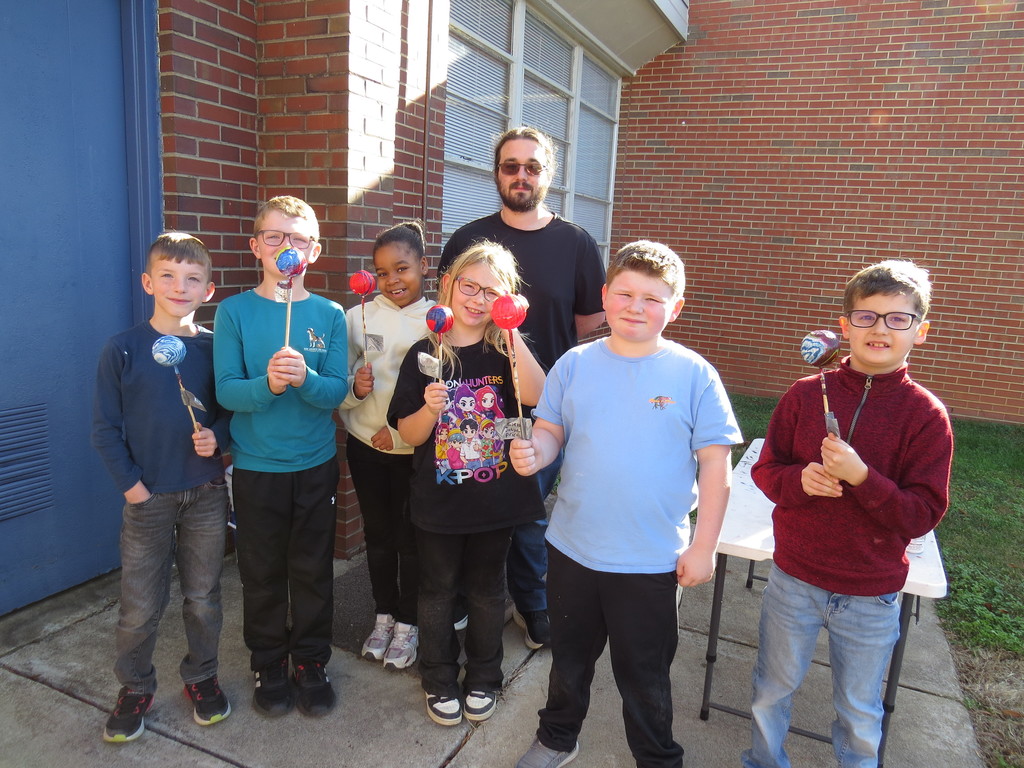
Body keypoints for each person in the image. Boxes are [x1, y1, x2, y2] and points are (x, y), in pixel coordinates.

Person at [509, 241, 742, 768]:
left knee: (644, 674)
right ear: (605, 296)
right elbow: (550, 432)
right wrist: (534, 453)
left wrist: (704, 547)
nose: (637, 306)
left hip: (651, 559)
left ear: (675, 308)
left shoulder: (693, 374)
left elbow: (714, 466)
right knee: (568, 662)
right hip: (573, 550)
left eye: (653, 298)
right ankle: (557, 739)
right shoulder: (573, 364)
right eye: (626, 293)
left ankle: (657, 758)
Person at [741, 260, 954, 768]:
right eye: (867, 317)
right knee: (771, 690)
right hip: (795, 577)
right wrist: (799, 481)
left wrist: (863, 478)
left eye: (897, 319)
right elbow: (767, 470)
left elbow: (920, 514)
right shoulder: (803, 394)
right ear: (845, 327)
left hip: (870, 591)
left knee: (858, 711)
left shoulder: (926, 416)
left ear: (920, 332)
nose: (880, 328)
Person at [438, 126, 606, 649]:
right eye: (511, 166)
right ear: (497, 173)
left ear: (547, 175)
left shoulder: (576, 244)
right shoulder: (468, 239)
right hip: (474, 401)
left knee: (528, 508)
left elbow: (590, 325)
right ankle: (468, 597)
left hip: (544, 402)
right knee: (473, 501)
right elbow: (445, 315)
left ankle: (531, 601)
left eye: (532, 167)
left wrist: (556, 378)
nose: (521, 175)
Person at [387, 241, 547, 727]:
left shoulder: (504, 352)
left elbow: (535, 396)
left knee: (487, 592)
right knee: (436, 591)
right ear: (448, 287)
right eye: (468, 287)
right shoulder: (424, 353)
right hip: (438, 501)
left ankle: (484, 677)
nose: (476, 300)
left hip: (495, 500)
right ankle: (438, 678)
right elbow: (409, 434)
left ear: (505, 299)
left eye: (491, 293)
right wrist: (431, 410)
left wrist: (511, 328)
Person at [92, 232, 232, 742]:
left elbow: (234, 414)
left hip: (206, 495)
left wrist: (218, 436)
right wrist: (134, 489)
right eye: (168, 276)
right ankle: (133, 686)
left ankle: (202, 674)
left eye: (193, 278)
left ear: (208, 290)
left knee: (202, 598)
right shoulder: (123, 350)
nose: (180, 286)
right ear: (149, 282)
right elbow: (104, 428)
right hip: (147, 499)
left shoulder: (217, 349)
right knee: (140, 605)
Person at [214, 196, 347, 718]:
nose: (285, 247)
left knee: (312, 569)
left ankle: (311, 660)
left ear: (314, 251)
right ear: (256, 247)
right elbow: (226, 390)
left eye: (297, 239)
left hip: (314, 466)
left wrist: (306, 379)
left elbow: (335, 391)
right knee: (262, 570)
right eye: (274, 237)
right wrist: (268, 385)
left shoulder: (329, 314)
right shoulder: (234, 311)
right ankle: (269, 659)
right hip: (256, 468)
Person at [339, 221, 433, 671]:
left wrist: (396, 433)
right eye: (382, 273)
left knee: (410, 539)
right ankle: (383, 614)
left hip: (413, 451)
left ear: (424, 267)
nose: (393, 280)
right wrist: (355, 390)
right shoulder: (358, 316)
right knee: (378, 536)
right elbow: (342, 378)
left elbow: (441, 390)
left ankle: (409, 623)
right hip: (365, 446)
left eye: (403, 269)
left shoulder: (439, 319)